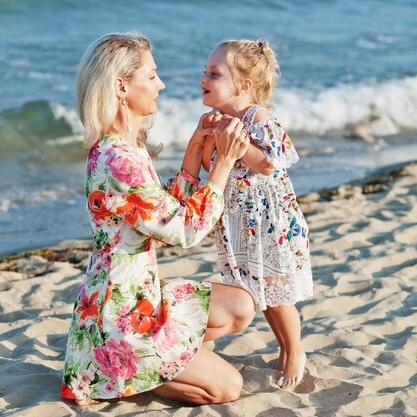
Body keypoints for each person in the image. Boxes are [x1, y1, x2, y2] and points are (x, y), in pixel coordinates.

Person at [60, 32, 256, 407]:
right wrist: (225, 163)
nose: (161, 84)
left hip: (140, 295)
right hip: (119, 317)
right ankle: (127, 374)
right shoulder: (118, 160)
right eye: (151, 76)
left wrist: (195, 151)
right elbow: (184, 231)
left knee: (239, 306)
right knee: (227, 388)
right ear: (121, 86)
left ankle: (164, 362)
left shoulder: (125, 146)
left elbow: (161, 210)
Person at [200, 39, 313, 388]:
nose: (203, 77)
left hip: (270, 221)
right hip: (238, 222)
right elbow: (211, 167)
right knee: (258, 292)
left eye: (214, 73)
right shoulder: (219, 119)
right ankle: (282, 348)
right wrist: (208, 137)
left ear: (243, 86)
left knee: (277, 292)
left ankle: (294, 351)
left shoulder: (257, 117)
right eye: (205, 71)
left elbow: (270, 162)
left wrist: (238, 142)